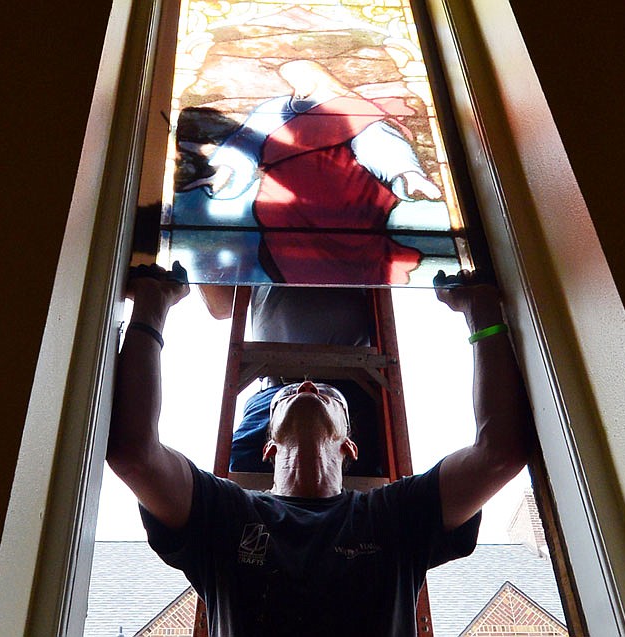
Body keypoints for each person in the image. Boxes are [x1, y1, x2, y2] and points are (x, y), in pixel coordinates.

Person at [107, 264, 533, 637]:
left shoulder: (393, 518)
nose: (308, 382)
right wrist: (150, 307)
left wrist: (483, 313)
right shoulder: (225, 515)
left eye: (330, 393)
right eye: (287, 392)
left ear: (351, 444)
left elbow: (500, 454)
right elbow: (134, 453)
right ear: (267, 446)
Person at [173, 59, 443, 286]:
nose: (297, 86)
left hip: (340, 204)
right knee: (289, 262)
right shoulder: (273, 108)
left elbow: (379, 143)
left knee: (347, 261)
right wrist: (226, 169)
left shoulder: (352, 109)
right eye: (291, 79)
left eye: (302, 78)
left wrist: (408, 174)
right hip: (283, 214)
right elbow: (246, 143)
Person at [199, 284, 382, 476]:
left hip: (349, 385)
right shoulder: (257, 256)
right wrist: (198, 256)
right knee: (243, 465)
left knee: (365, 470)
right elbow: (222, 305)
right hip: (278, 387)